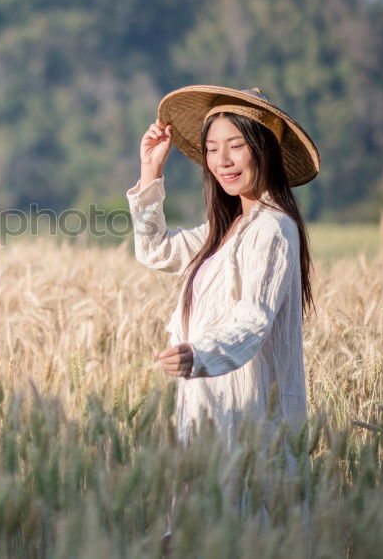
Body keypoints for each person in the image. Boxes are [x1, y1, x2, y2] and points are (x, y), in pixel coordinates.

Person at [125, 85, 320, 549]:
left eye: (236, 146)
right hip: (209, 413)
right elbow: (155, 251)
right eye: (213, 149)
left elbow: (253, 320)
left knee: (243, 533)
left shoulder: (272, 229)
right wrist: (151, 171)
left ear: (264, 151)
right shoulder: (224, 230)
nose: (224, 160)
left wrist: (199, 354)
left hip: (250, 417)